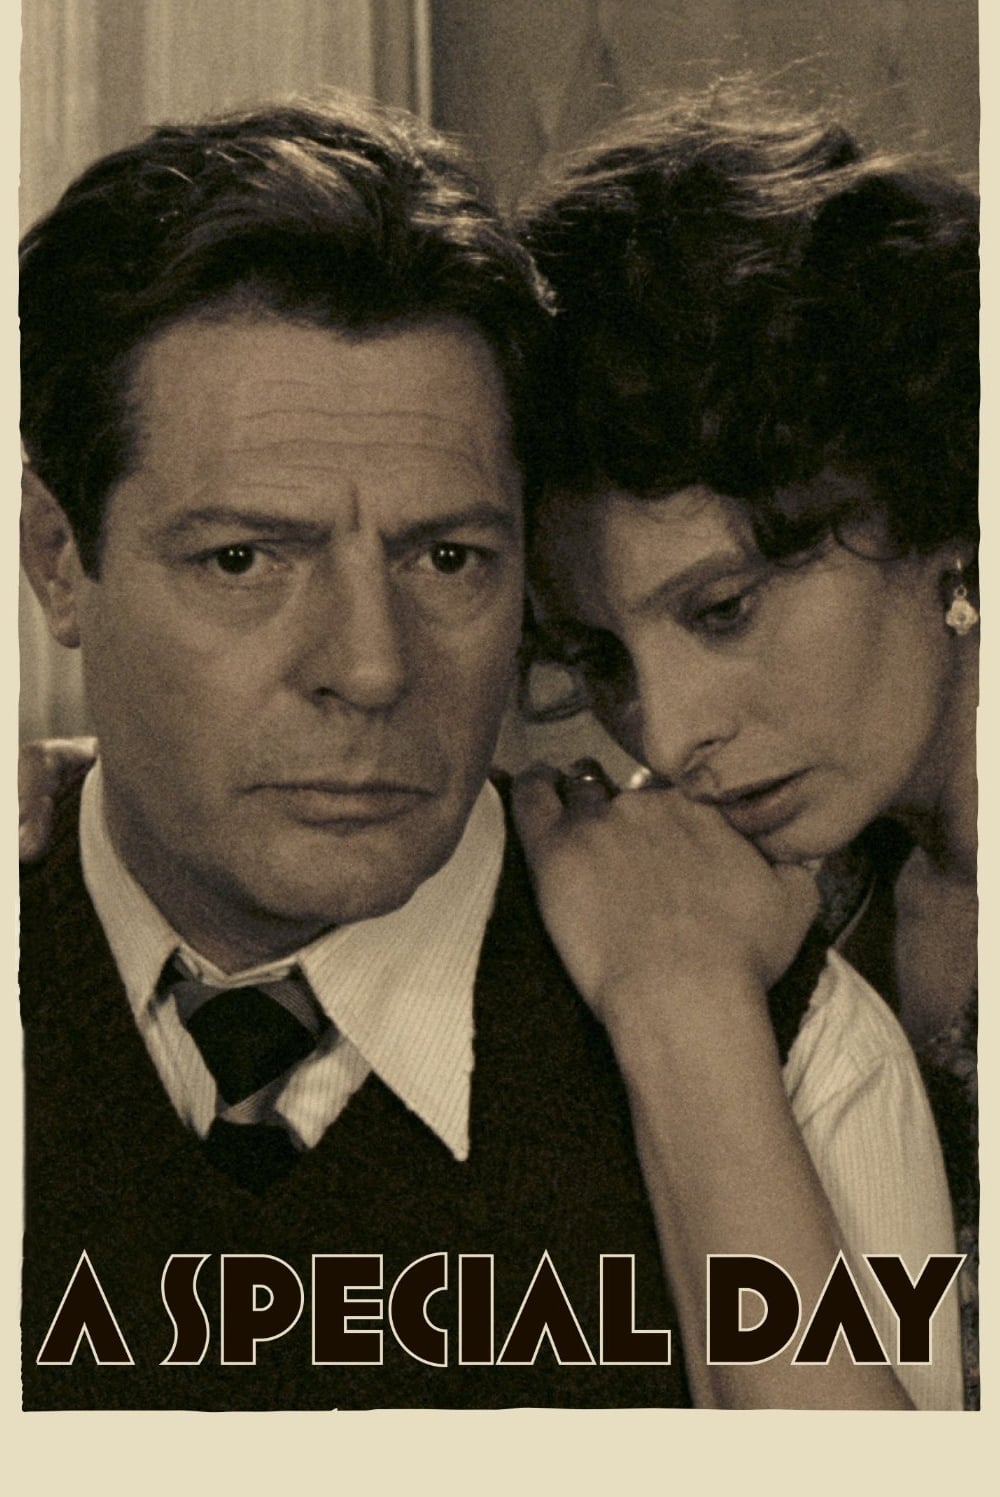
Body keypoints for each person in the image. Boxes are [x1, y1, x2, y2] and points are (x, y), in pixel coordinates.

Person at [17, 94, 961, 1413]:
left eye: (448, 557)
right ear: (58, 560)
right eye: (241, 559)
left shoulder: (788, 1032)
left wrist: (688, 1009)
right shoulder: (780, 876)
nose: (373, 667)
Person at [514, 88, 978, 1408]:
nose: (669, 734)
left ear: (937, 504)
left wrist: (683, 1005)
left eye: (722, 610)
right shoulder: (795, 870)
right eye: (601, 658)